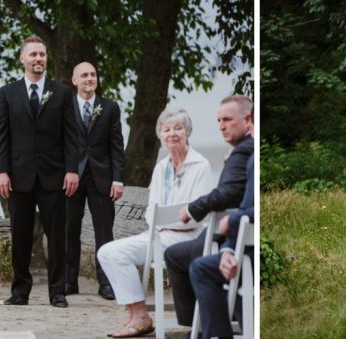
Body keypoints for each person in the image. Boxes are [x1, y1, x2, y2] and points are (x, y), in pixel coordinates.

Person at [97, 108, 213, 338]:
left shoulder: (201, 166)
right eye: (166, 129)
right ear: (160, 134)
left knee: (117, 253)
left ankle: (139, 319)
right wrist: (161, 221)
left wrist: (167, 219)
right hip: (157, 233)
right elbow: (152, 210)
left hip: (187, 237)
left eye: (178, 128)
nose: (172, 134)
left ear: (187, 132)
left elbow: (198, 213)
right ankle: (136, 315)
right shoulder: (162, 167)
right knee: (108, 252)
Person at [0, 34, 79, 308]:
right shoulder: (7, 93)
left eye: (42, 54)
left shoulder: (63, 92)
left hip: (54, 176)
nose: (39, 59)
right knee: (20, 235)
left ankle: (57, 292)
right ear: (22, 59)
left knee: (57, 237)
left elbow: (71, 136)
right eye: (33, 55)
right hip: (18, 176)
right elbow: (1, 136)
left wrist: (72, 170)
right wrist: (1, 171)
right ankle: (20, 291)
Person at [164, 95, 254, 328]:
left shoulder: (244, 152)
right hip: (231, 231)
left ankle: (198, 325)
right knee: (184, 252)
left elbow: (228, 193)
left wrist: (194, 208)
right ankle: (201, 324)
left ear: (248, 119)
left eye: (227, 120)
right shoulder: (161, 168)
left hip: (233, 233)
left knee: (184, 256)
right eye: (218, 120)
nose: (221, 126)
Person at [65, 61, 125, 299]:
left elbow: (117, 146)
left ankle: (106, 283)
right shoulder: (65, 106)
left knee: (104, 232)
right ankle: (69, 282)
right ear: (74, 80)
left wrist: (118, 180)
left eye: (93, 74)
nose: (90, 78)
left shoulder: (109, 107)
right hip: (71, 177)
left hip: (102, 177)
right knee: (69, 229)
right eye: (84, 75)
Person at [189, 156, 253, 339]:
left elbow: (240, 209)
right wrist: (228, 250)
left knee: (197, 263)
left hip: (246, 249)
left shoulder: (246, 158)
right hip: (233, 239)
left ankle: (196, 325)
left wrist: (231, 221)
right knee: (194, 259)